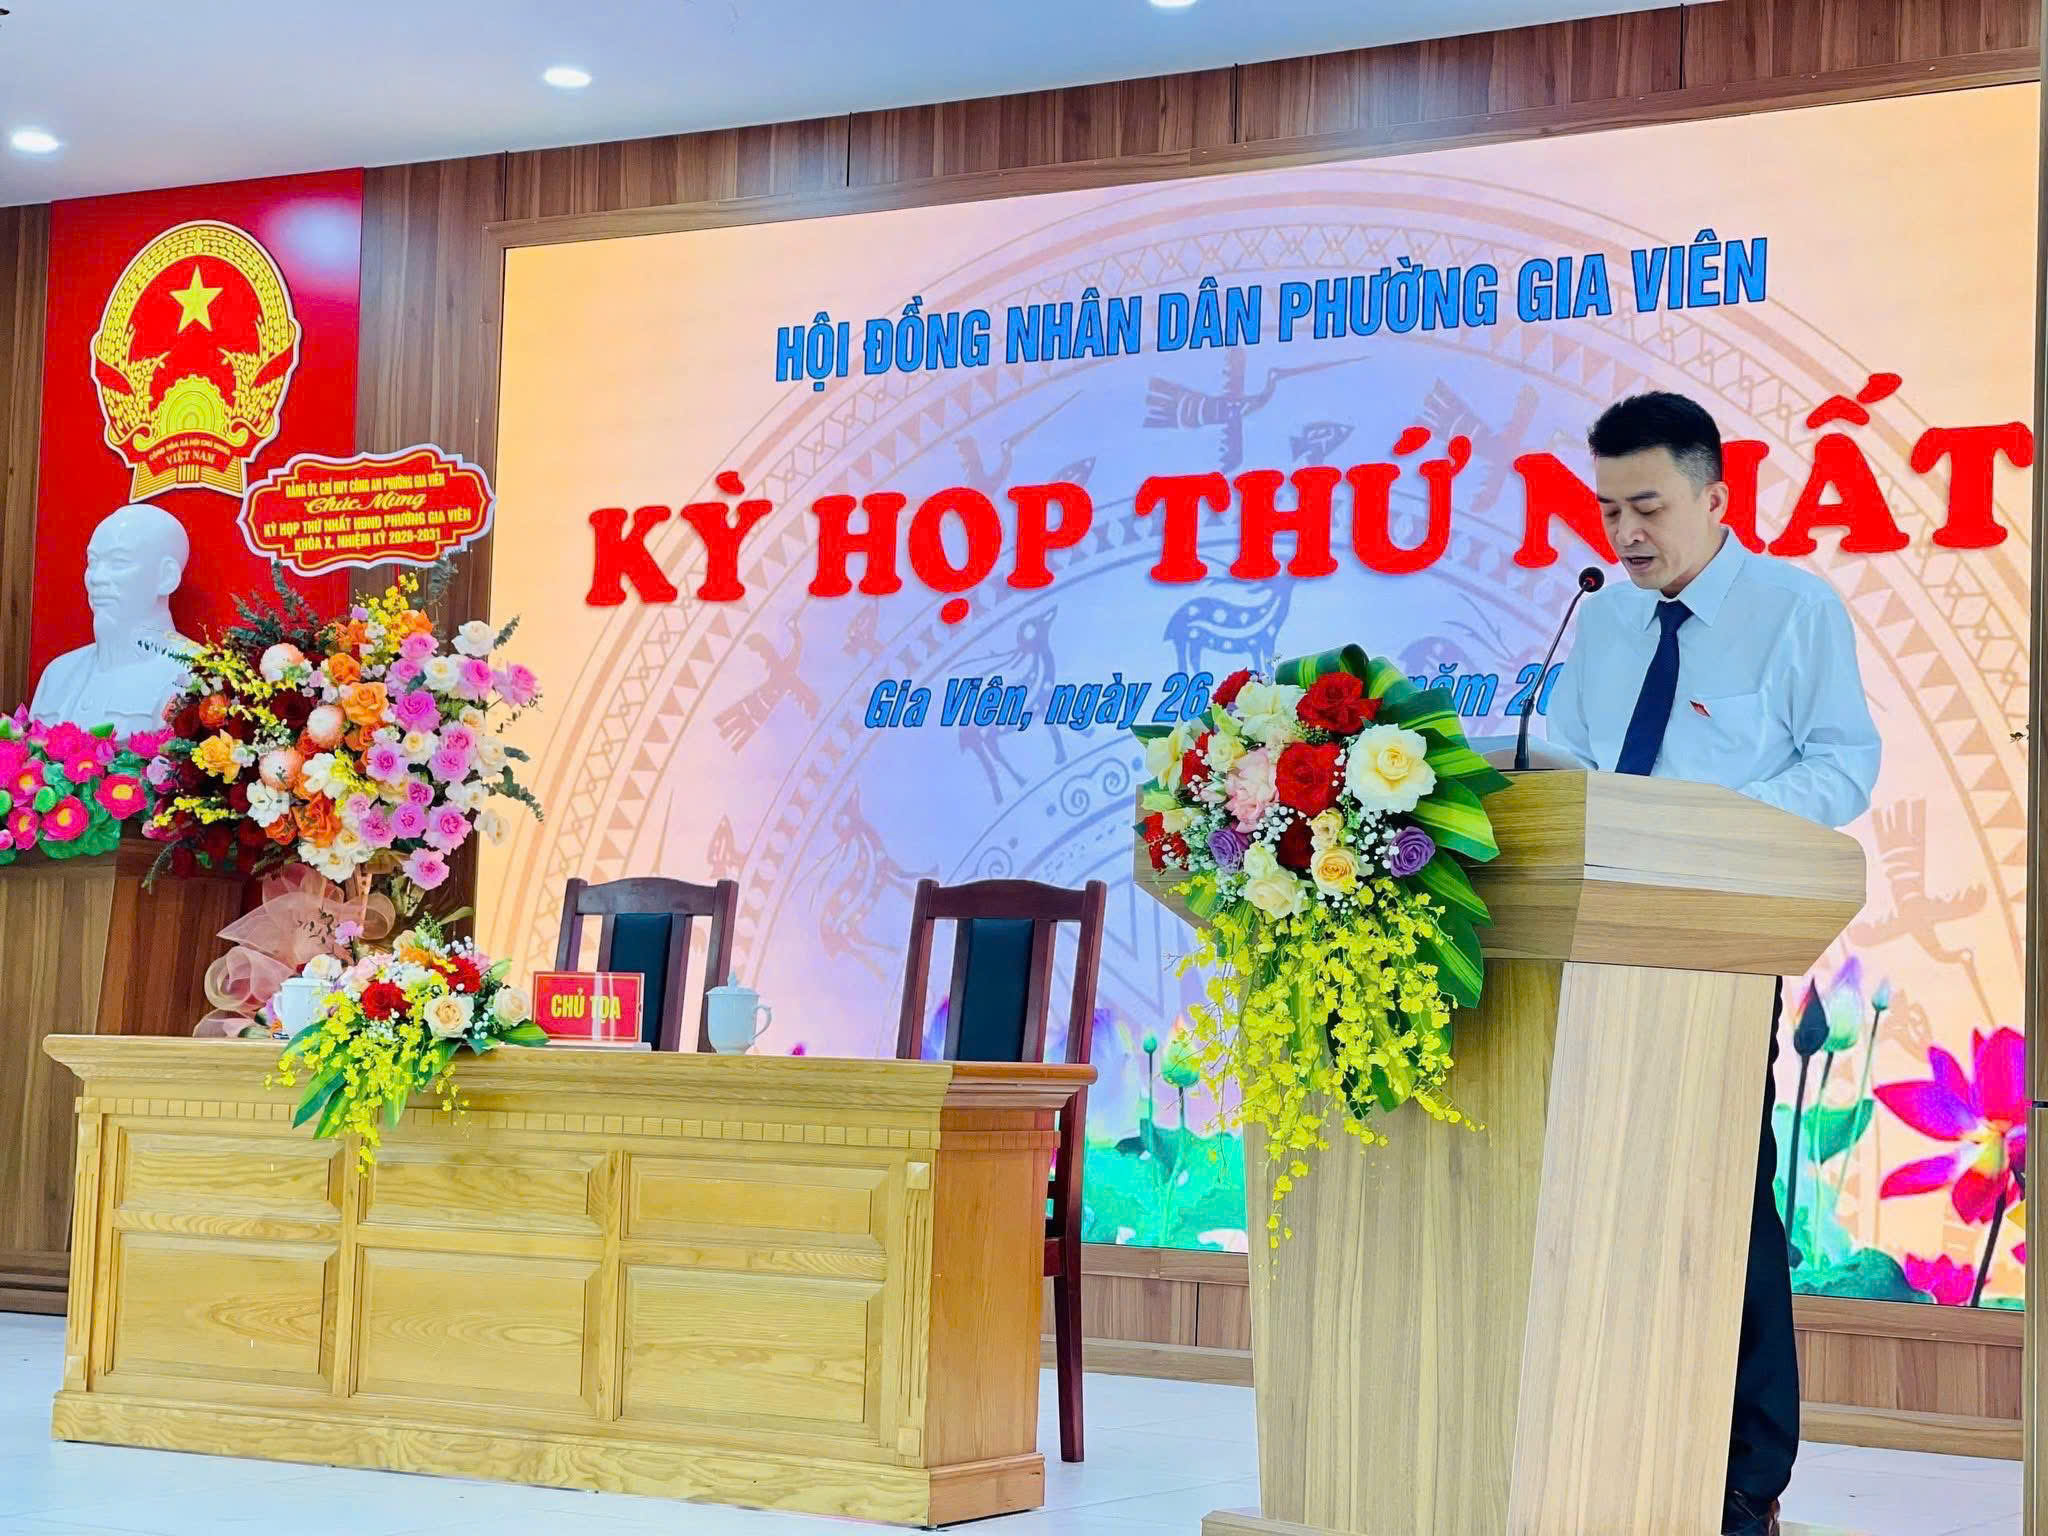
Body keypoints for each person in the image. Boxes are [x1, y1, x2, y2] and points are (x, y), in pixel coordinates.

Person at [1544, 391, 1881, 1536]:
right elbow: (1566, 758)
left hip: (1717, 946)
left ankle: (1745, 1476)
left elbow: (1840, 764)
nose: (1623, 533)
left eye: (1645, 506)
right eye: (1606, 510)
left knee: (1721, 1204)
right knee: (1600, 1200)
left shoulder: (1792, 610)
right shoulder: (1600, 621)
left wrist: (1709, 827)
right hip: (1594, 945)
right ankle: (1612, 1443)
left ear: (1713, 497)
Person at [29, 502, 197, 734]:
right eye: (92, 562)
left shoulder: (197, 674)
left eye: (119, 563)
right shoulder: (58, 674)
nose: (96, 578)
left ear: (166, 577)